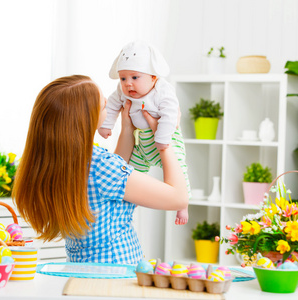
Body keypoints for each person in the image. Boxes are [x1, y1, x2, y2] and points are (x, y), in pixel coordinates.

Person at [13, 75, 189, 265]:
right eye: (103, 105)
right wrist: (164, 140)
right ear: (85, 119)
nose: (108, 102)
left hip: (80, 269)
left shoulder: (58, 162)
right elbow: (178, 197)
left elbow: (111, 176)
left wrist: (127, 129)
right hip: (117, 271)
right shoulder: (102, 167)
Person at [98, 41, 191, 225]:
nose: (128, 84)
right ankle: (132, 199)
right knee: (132, 172)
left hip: (164, 139)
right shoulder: (122, 92)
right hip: (139, 143)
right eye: (123, 78)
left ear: (154, 77)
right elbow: (114, 104)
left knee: (178, 168)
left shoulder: (161, 90)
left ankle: (183, 205)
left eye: (135, 77)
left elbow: (171, 113)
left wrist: (163, 138)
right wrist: (107, 125)